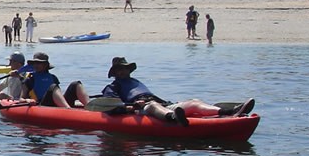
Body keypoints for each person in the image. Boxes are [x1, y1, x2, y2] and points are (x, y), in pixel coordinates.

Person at [100, 57, 254, 125]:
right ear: (114, 73)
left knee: (194, 102)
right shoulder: (113, 87)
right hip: (142, 109)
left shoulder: (134, 82)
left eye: (124, 69)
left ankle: (229, 112)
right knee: (152, 106)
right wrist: (132, 106)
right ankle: (173, 118)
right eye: (119, 70)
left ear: (128, 70)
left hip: (160, 104)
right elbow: (112, 106)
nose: (122, 72)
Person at [20, 52, 87, 108]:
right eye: (35, 63)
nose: (36, 65)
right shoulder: (30, 79)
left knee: (76, 84)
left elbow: (58, 94)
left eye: (39, 63)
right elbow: (21, 98)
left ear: (45, 65)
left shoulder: (53, 77)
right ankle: (68, 110)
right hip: (43, 104)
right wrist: (27, 100)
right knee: (53, 87)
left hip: (57, 104)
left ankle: (89, 105)